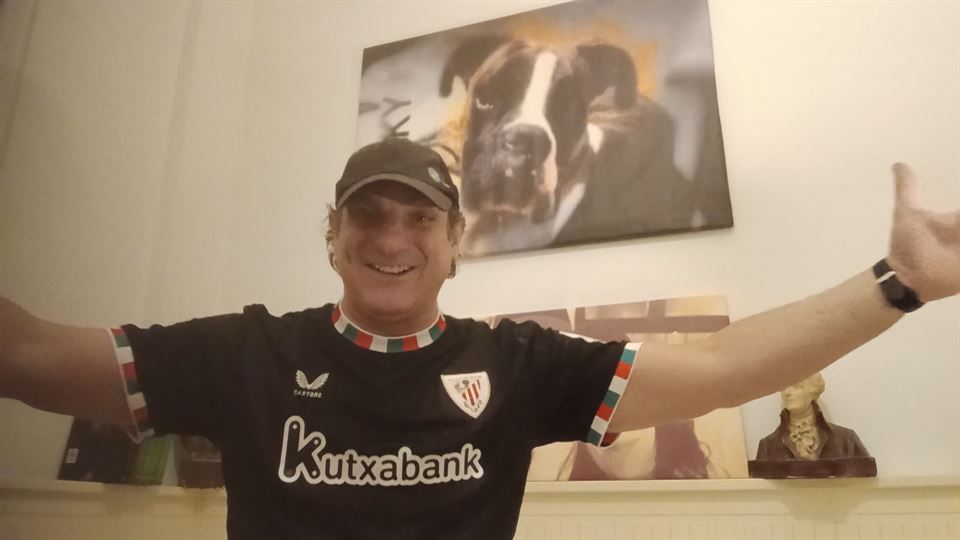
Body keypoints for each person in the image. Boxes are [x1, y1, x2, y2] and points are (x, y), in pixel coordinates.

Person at [1, 137, 958, 539]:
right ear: (333, 234)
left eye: (420, 218)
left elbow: (720, 364)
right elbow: (35, 359)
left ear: (455, 243)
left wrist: (902, 282)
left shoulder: (516, 365)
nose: (392, 239)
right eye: (368, 215)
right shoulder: (242, 355)